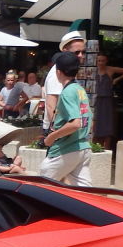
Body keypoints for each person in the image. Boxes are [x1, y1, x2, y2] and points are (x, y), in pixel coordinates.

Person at [40, 51, 92, 186]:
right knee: (86, 194)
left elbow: (75, 124)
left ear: (58, 72)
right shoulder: (80, 90)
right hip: (83, 148)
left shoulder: (67, 93)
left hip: (65, 149)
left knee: (42, 188)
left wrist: (51, 137)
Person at [44, 31, 85, 131]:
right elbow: (51, 106)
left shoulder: (69, 71)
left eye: (83, 52)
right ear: (65, 51)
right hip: (59, 130)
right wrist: (57, 133)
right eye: (77, 52)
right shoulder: (57, 73)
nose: (81, 55)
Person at [92, 53, 123, 148]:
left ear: (106, 61)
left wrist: (116, 79)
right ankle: (94, 146)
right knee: (95, 122)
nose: (100, 63)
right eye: (99, 60)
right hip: (96, 100)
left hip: (107, 100)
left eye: (103, 60)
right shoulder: (93, 70)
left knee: (107, 123)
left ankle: (107, 147)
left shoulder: (110, 69)